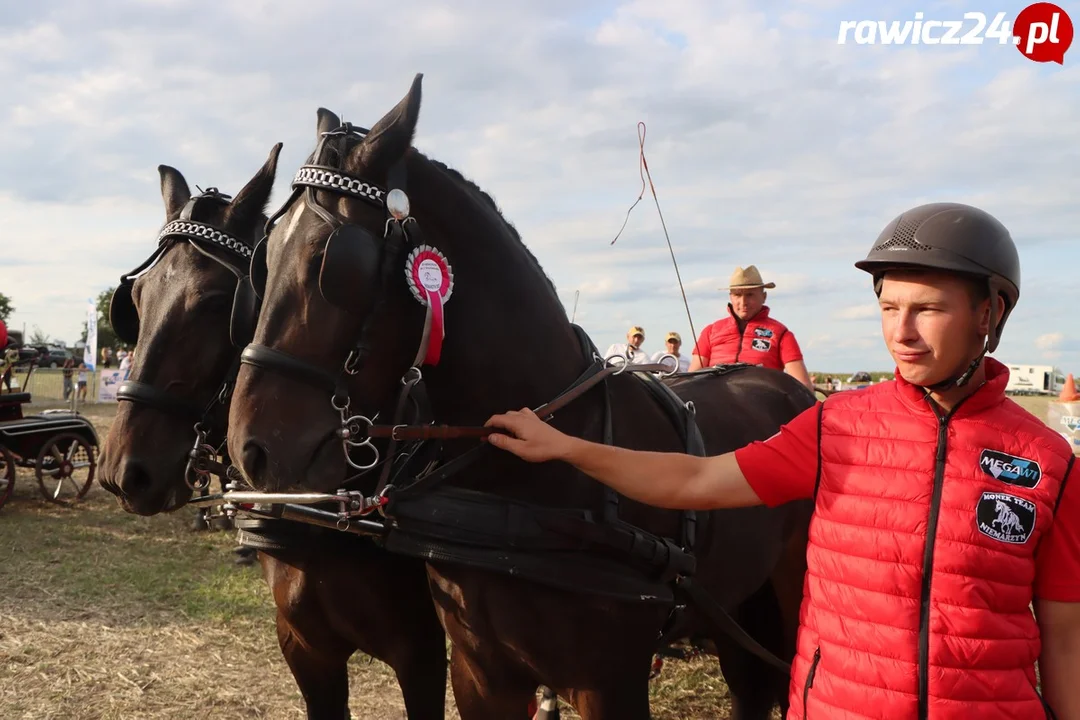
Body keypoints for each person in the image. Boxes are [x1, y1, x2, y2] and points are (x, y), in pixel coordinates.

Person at [485, 203, 1080, 720]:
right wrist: (566, 447)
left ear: (990, 313)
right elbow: (695, 477)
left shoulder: (1051, 463)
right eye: (889, 307)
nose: (902, 333)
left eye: (928, 309)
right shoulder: (834, 426)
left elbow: (1066, 639)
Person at [687, 265, 813, 391]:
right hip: (713, 400)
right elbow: (691, 380)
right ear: (730, 297)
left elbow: (803, 387)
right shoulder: (710, 332)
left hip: (762, 403)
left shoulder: (781, 334)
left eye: (750, 295)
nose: (743, 302)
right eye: (737, 295)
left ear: (764, 297)